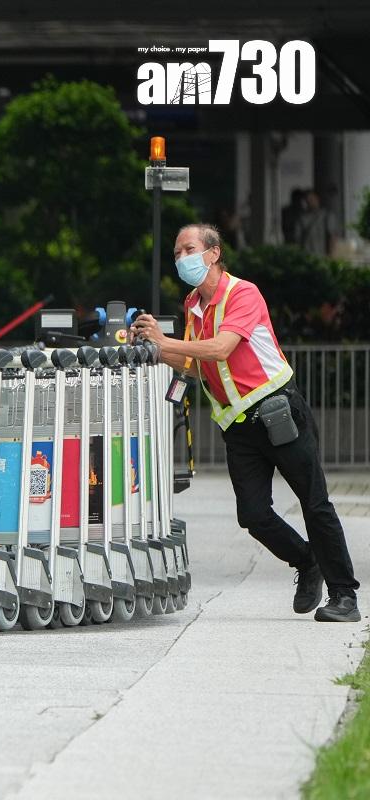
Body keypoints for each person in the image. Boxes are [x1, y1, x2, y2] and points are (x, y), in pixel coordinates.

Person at [132, 223, 359, 622]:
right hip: (238, 425)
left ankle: (344, 597)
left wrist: (165, 342)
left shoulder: (243, 293)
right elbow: (192, 360)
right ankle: (308, 561)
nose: (181, 258)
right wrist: (152, 351)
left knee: (314, 502)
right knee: (252, 515)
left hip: (277, 411)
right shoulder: (192, 305)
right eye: (176, 253)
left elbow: (220, 349)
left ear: (213, 253)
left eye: (188, 249)